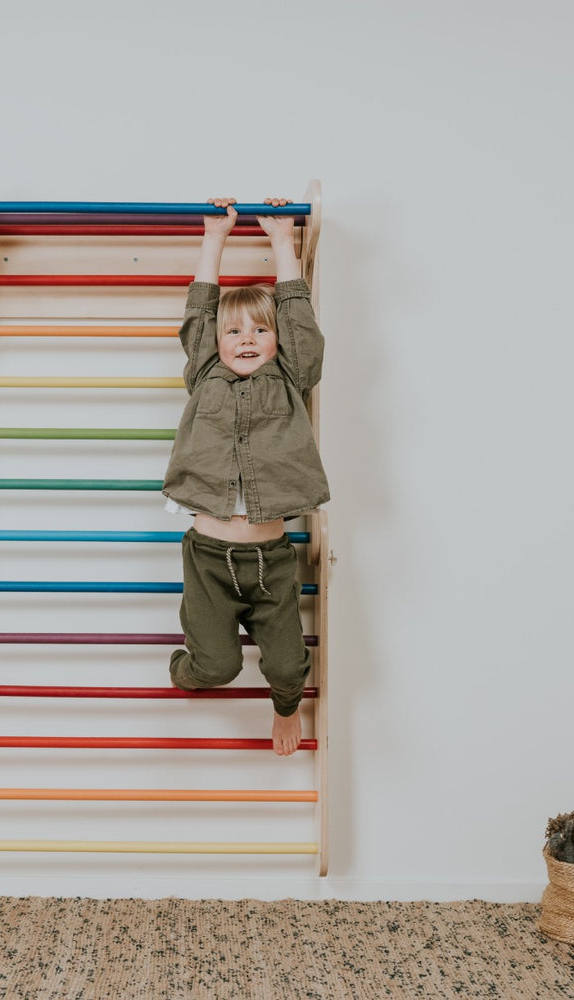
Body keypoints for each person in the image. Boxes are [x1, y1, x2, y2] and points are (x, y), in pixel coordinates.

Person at [162, 196, 330, 756]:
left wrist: (284, 244)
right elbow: (199, 315)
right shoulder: (205, 371)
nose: (248, 340)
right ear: (215, 345)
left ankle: (285, 710)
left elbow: (301, 330)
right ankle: (184, 670)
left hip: (271, 563)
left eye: (261, 330)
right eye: (234, 333)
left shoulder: (291, 377)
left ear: (278, 342)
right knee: (216, 665)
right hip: (209, 560)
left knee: (288, 666)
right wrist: (215, 237)